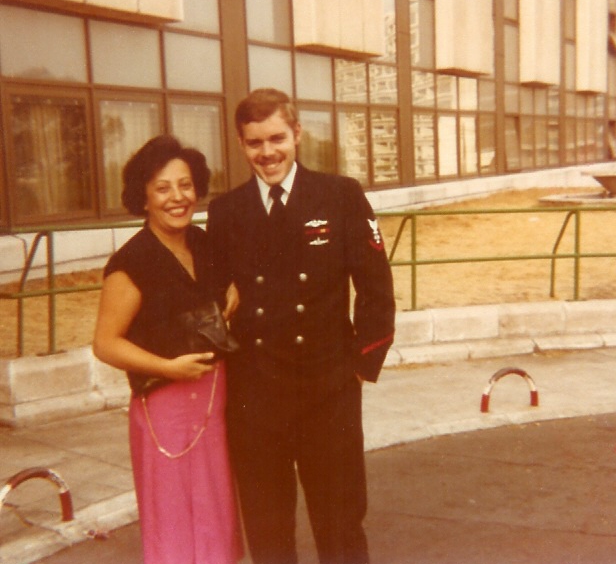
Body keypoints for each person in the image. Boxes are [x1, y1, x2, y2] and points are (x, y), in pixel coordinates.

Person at [206, 89, 396, 564]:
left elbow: (376, 288)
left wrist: (360, 367)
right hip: (256, 396)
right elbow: (213, 295)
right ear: (241, 143)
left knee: (340, 526)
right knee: (268, 533)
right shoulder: (226, 211)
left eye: (277, 138)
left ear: (297, 134)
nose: (267, 153)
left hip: (326, 391)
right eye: (255, 142)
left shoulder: (340, 195)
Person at [93, 135, 243, 564]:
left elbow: (223, 293)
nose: (177, 197)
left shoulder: (204, 244)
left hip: (215, 401)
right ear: (143, 198)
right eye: (163, 188)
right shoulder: (131, 262)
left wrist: (235, 288)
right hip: (165, 409)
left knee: (216, 514)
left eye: (185, 185)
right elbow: (105, 343)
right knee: (174, 519)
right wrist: (168, 368)